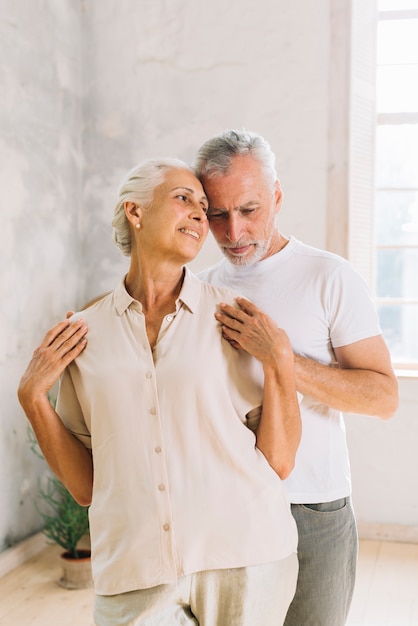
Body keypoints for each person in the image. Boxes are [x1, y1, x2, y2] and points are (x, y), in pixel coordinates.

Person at [18, 158, 301, 626]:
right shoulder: (82, 336)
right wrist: (32, 398)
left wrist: (280, 360)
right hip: (135, 569)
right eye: (183, 198)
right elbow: (87, 487)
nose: (198, 214)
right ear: (135, 212)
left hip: (246, 557)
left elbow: (281, 461)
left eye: (202, 206)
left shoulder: (233, 317)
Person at [193, 130, 399, 626]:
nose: (234, 232)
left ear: (277, 197)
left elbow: (383, 396)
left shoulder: (329, 277)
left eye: (249, 210)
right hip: (230, 508)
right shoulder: (201, 290)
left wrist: (280, 356)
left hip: (313, 510)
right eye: (217, 215)